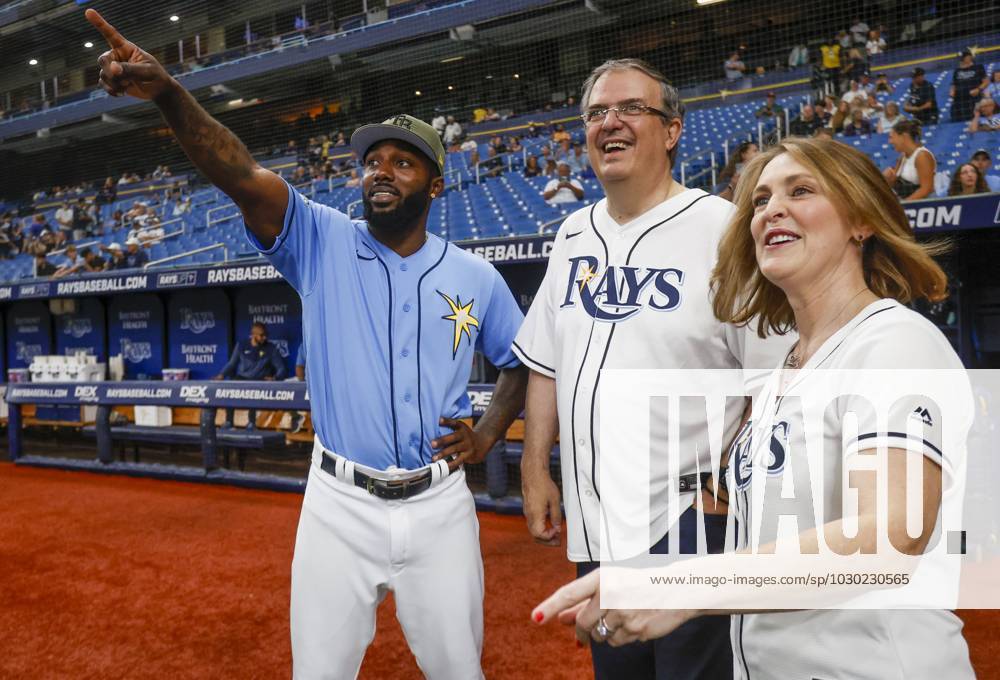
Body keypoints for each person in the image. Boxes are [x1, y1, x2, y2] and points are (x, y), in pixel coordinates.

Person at [85, 10, 528, 678]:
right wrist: (172, 95)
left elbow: (519, 360)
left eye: (402, 163)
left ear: (436, 185)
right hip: (338, 505)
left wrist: (491, 431)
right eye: (371, 161)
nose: (380, 171)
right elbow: (237, 172)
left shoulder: (476, 277)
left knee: (459, 671)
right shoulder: (321, 239)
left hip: (440, 505)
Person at [533, 135, 975, 680]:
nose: (772, 210)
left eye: (801, 190)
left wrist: (678, 588)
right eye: (761, 200)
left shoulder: (893, 343)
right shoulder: (789, 365)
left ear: (861, 221)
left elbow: (888, 538)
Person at [513, 57, 792, 680]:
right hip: (595, 522)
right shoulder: (571, 234)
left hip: (690, 521)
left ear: (671, 130)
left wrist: (723, 493)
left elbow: (773, 378)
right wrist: (534, 466)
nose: (609, 122)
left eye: (631, 108)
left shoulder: (722, 228)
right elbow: (546, 365)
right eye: (595, 113)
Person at [215, 322, 288, 429]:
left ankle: (251, 423)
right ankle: (229, 422)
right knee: (229, 387)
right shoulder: (242, 345)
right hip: (242, 378)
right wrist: (221, 375)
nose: (264, 337)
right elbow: (232, 363)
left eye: (266, 335)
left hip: (259, 380)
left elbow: (281, 368)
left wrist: (275, 378)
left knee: (253, 390)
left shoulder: (271, 348)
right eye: (261, 335)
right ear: (253, 335)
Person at [884, 120, 935, 200]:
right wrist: (887, 178)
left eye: (891, 137)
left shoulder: (922, 156)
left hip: (920, 206)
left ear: (904, 137)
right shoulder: (902, 157)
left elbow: (927, 189)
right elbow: (893, 184)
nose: (890, 141)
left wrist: (904, 204)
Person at [950, 49, 988, 123]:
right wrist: (952, 91)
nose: (961, 60)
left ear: (969, 57)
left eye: (963, 57)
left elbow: (986, 82)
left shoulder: (978, 67)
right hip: (959, 100)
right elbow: (954, 84)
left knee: (976, 118)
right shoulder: (957, 71)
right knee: (957, 120)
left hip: (974, 98)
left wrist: (978, 89)